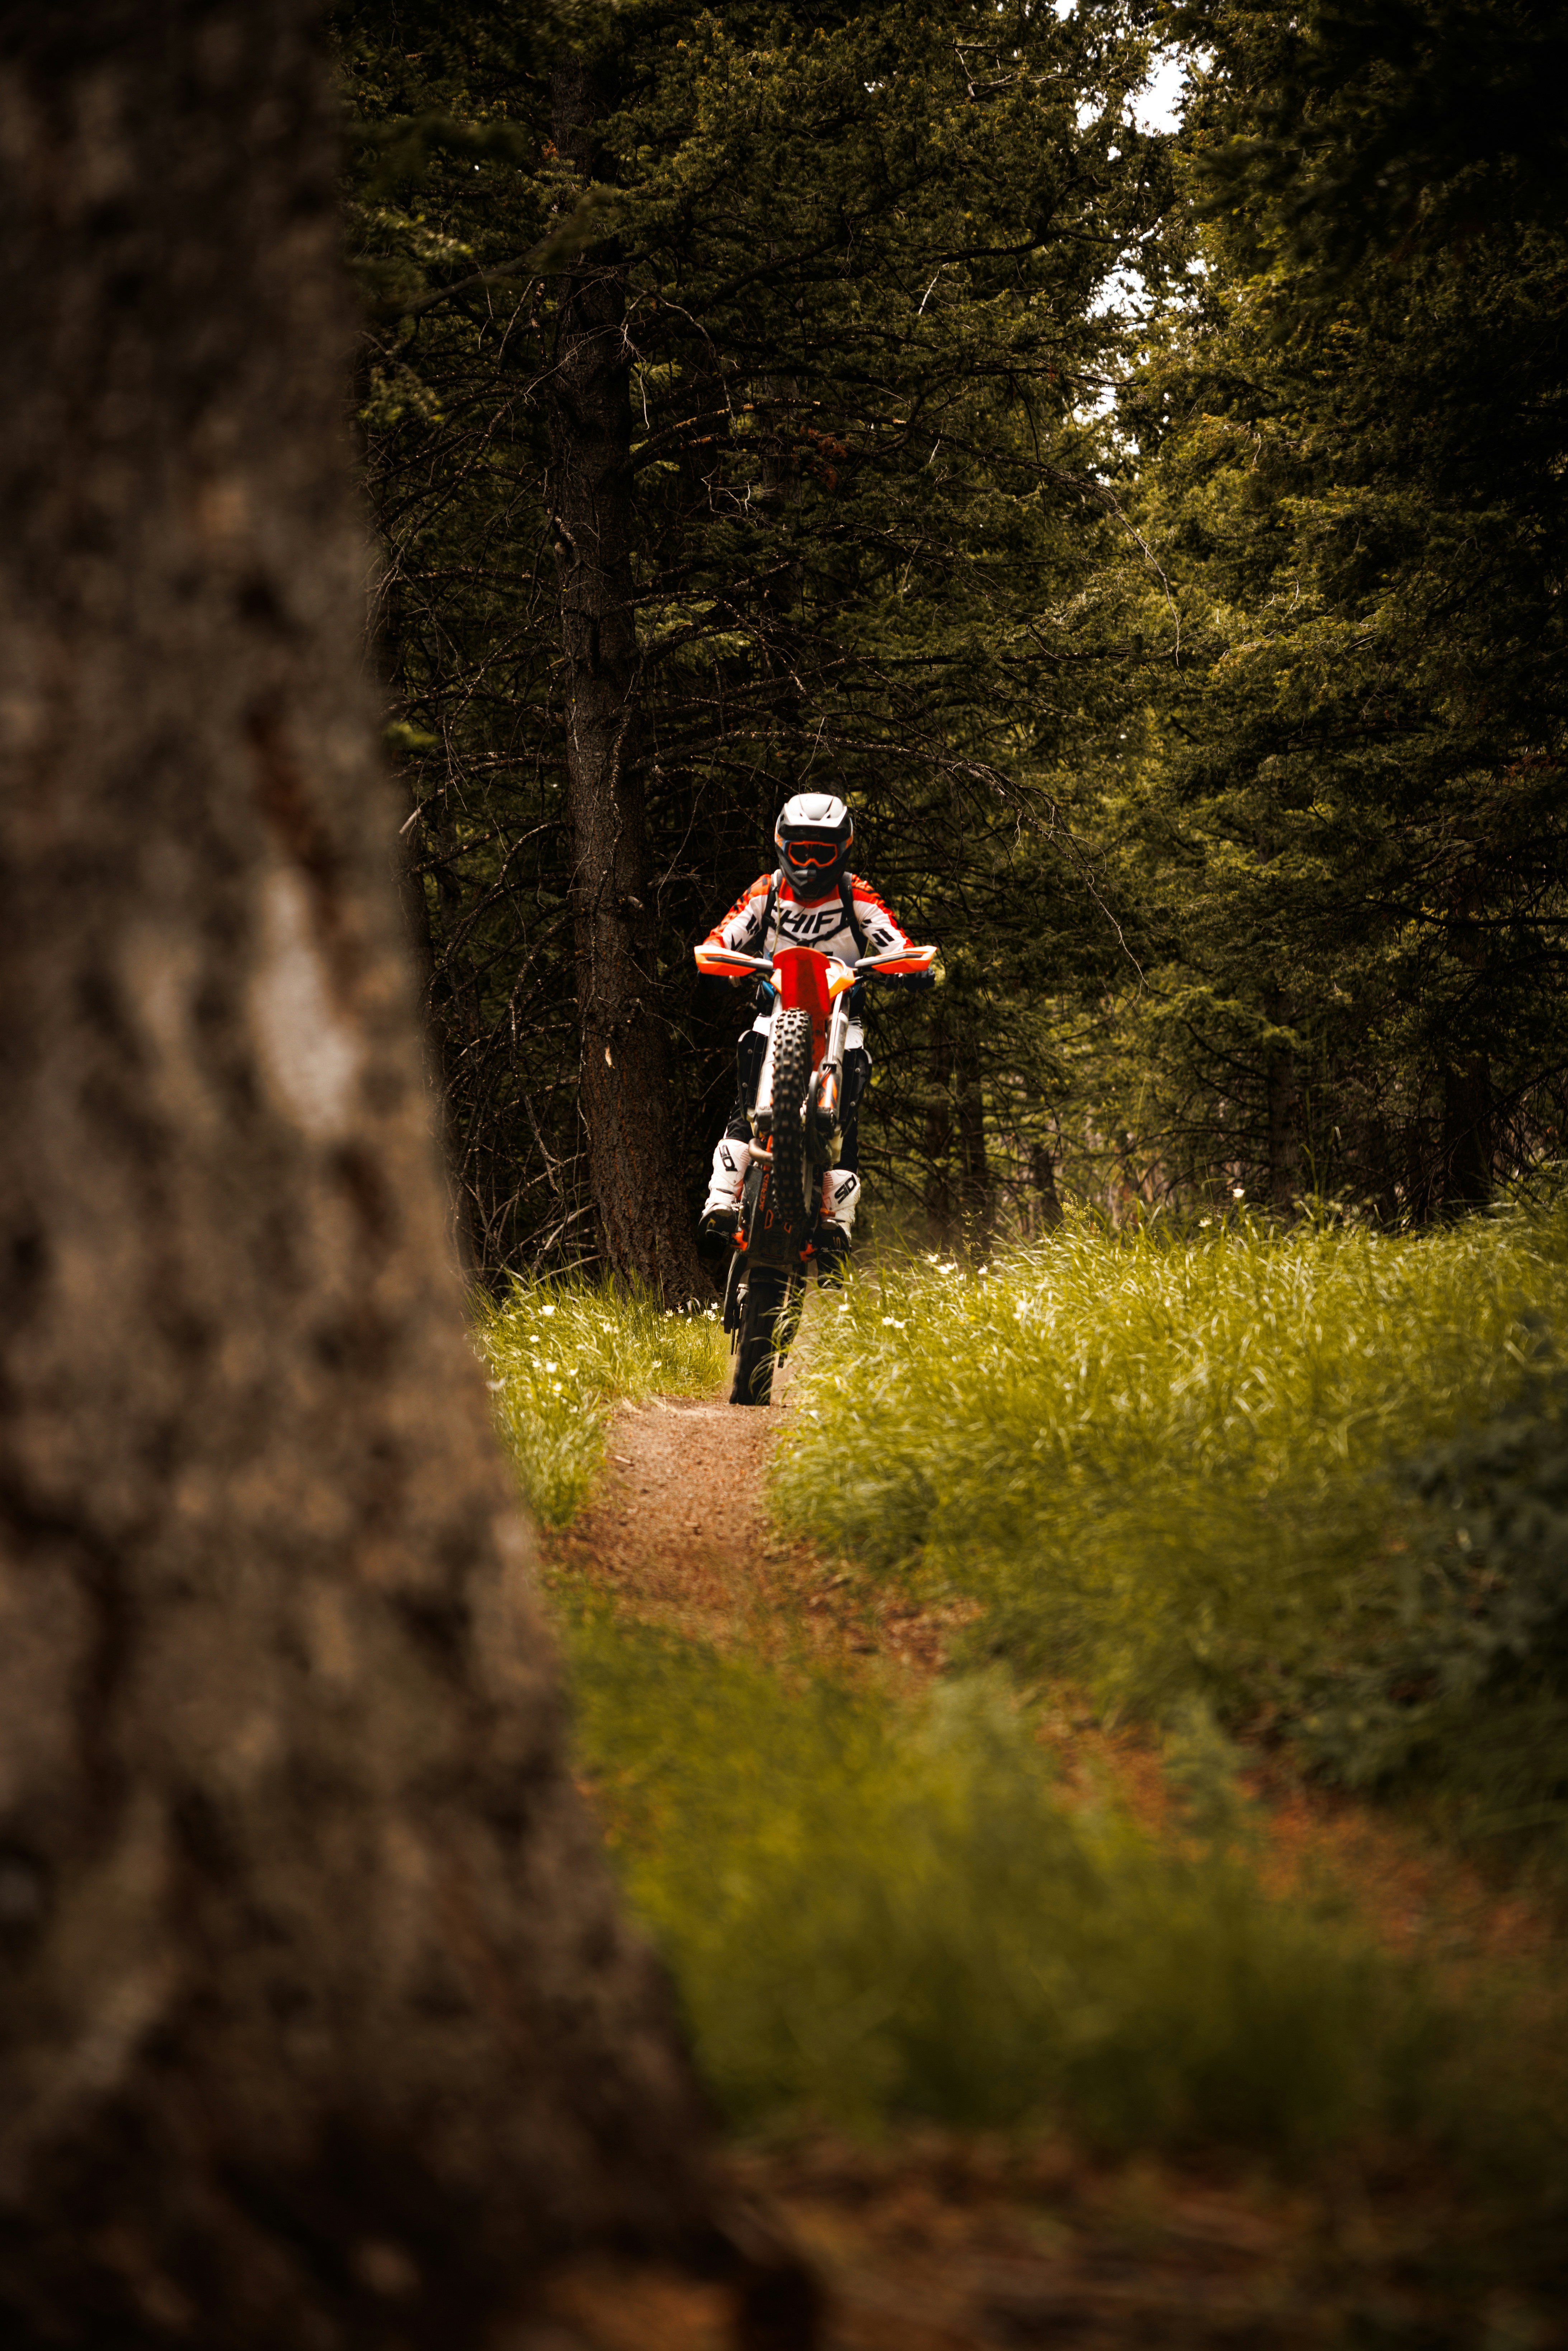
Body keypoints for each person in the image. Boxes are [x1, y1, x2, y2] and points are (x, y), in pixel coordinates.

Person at [696, 791, 934, 1275]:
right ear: (782, 845)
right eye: (800, 850)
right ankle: (721, 1200)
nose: (809, 863)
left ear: (842, 851)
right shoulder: (767, 890)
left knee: (846, 1117)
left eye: (821, 853)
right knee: (743, 1103)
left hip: (842, 1019)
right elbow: (728, 933)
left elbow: (892, 937)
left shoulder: (855, 894)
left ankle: (835, 1224)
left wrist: (912, 968)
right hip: (775, 1012)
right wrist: (716, 959)